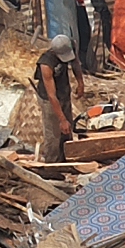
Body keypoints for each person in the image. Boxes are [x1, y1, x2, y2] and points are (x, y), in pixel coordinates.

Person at [33, 34, 85, 163]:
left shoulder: (70, 45)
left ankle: (67, 159)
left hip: (64, 92)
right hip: (48, 99)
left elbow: (75, 63)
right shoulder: (46, 63)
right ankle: (52, 163)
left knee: (67, 129)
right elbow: (51, 95)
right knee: (54, 133)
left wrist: (80, 83)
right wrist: (61, 119)